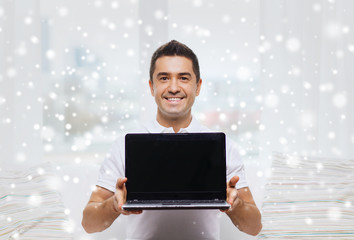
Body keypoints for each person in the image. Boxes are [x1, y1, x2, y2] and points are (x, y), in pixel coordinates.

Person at [82, 40, 262, 239]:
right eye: (164, 78)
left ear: (198, 86)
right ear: (152, 87)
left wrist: (236, 206)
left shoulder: (223, 147)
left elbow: (253, 227)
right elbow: (90, 224)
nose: (174, 87)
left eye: (183, 78)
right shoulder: (123, 146)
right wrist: (112, 205)